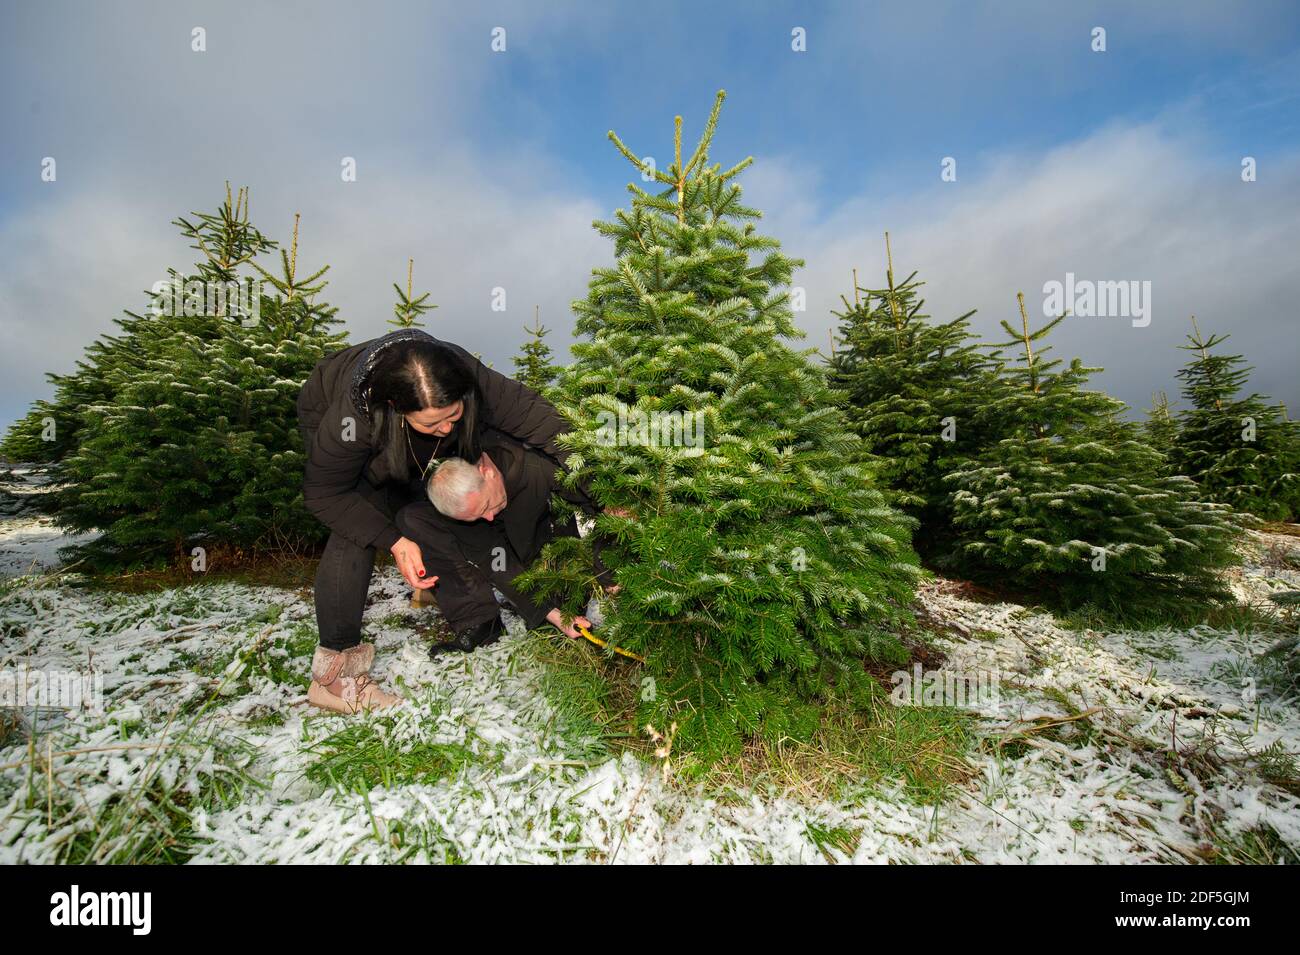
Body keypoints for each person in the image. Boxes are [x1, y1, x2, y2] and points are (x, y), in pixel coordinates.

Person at [295, 328, 582, 713]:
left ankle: (480, 608)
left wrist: (609, 489)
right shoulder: (351, 423)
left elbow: (544, 424)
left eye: (453, 416)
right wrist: (395, 541)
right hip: (337, 417)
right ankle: (333, 678)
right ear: (397, 407)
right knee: (360, 523)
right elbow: (325, 493)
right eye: (433, 424)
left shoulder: (466, 377)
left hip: (419, 420)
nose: (447, 430)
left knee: (446, 503)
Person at [397, 442, 615, 657]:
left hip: (551, 547)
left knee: (560, 601)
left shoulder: (537, 467)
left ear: (487, 472)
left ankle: (558, 591)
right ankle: (481, 621)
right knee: (412, 517)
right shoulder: (473, 509)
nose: (489, 518)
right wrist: (552, 615)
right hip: (509, 550)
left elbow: (606, 505)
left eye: (486, 506)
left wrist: (607, 571)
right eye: (477, 516)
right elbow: (496, 560)